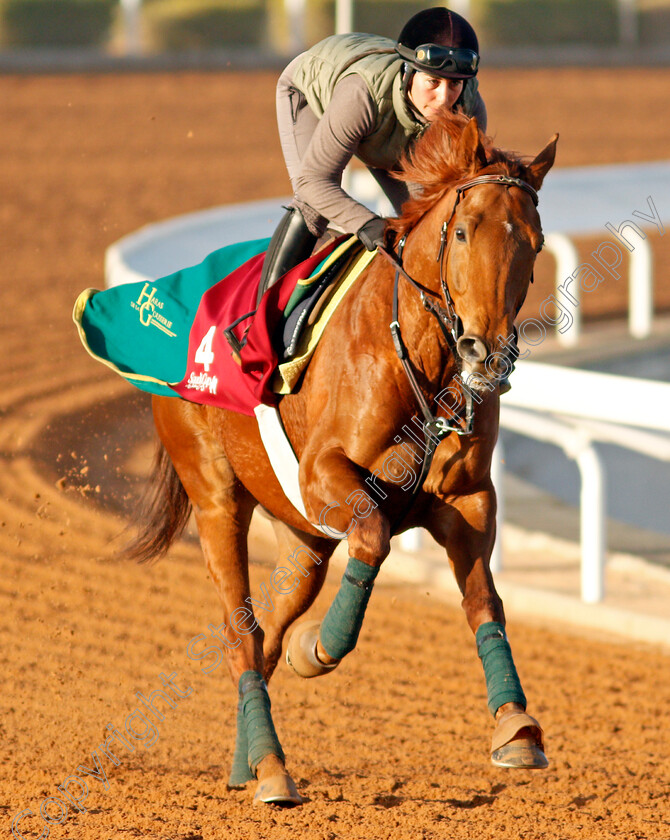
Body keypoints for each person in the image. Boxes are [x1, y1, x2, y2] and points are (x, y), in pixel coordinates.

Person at [257, 6, 486, 302]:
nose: (444, 99)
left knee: (428, 215)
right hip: (314, 96)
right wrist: (367, 224)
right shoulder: (360, 94)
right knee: (313, 206)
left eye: (454, 84)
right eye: (433, 82)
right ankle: (261, 321)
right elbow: (313, 182)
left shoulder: (469, 107)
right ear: (408, 72)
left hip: (385, 125)